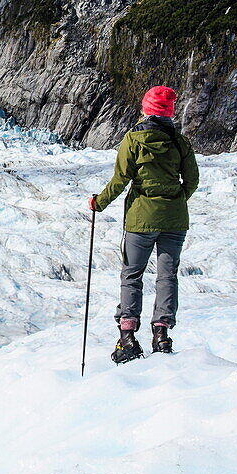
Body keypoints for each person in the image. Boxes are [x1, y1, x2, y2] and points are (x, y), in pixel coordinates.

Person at [88, 86, 199, 363]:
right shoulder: (180, 143)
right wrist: (174, 199)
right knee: (167, 276)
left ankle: (127, 338)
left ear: (146, 109)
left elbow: (121, 178)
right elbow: (192, 181)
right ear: (169, 113)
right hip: (174, 218)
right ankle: (161, 334)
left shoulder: (133, 139)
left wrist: (98, 202)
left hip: (141, 218)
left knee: (132, 275)